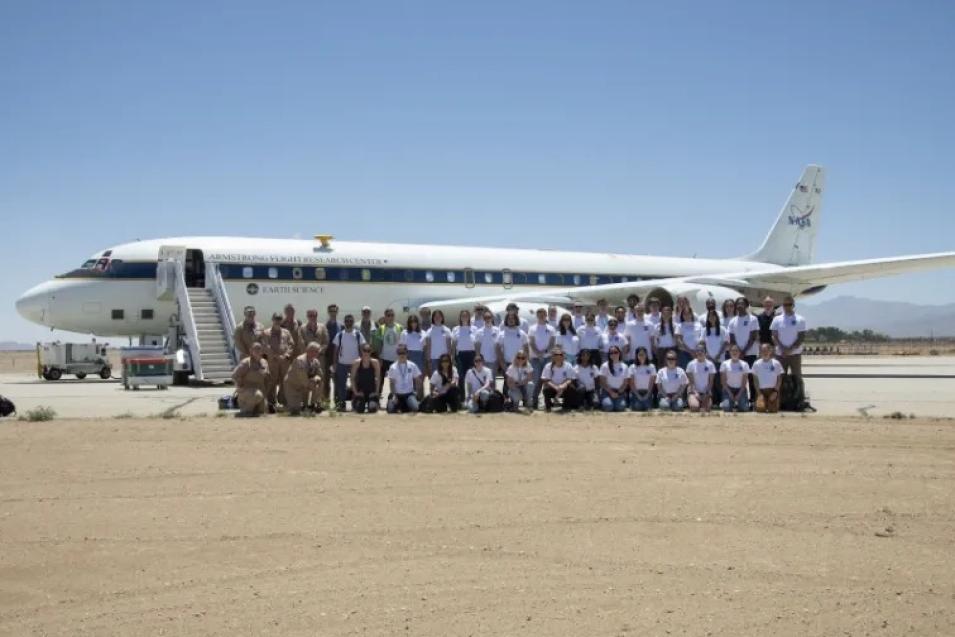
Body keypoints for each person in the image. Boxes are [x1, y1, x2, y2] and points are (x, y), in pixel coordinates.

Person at [771, 296, 807, 399]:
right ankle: (780, 400)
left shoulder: (800, 319)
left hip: (795, 354)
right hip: (780, 354)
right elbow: (774, 335)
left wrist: (790, 349)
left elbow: (801, 337)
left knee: (797, 377)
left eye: (789, 304)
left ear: (793, 305)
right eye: (785, 305)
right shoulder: (777, 319)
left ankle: (800, 399)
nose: (787, 307)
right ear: (782, 306)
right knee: (780, 378)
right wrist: (782, 348)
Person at [260, 312, 295, 412]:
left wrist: (286, 355)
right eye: (276, 318)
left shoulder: (286, 332)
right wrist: (275, 356)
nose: (277, 321)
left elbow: (291, 345)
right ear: (272, 319)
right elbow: (265, 346)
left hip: (284, 361)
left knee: (285, 381)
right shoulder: (266, 333)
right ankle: (271, 403)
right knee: (272, 381)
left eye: (279, 319)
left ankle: (283, 401)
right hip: (272, 361)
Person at [728, 297, 760, 401]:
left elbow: (753, 337)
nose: (739, 306)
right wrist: (738, 352)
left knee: (751, 377)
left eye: (742, 304)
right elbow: (732, 338)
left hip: (750, 353)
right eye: (738, 304)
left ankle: (753, 399)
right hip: (737, 355)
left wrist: (744, 351)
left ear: (747, 306)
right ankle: (740, 398)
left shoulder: (753, 319)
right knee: (738, 377)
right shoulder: (733, 321)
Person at [332, 314, 365, 410]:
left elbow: (362, 348)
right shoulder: (340, 335)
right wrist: (334, 363)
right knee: (341, 385)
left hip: (356, 364)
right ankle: (341, 404)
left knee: (356, 384)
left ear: (353, 322)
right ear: (344, 322)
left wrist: (363, 362)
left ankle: (356, 403)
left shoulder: (358, 334)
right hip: (342, 363)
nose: (349, 323)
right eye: (347, 321)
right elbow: (335, 350)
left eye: (351, 321)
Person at [527, 308, 556, 409]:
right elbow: (531, 342)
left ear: (546, 315)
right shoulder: (532, 328)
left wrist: (545, 352)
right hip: (535, 358)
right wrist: (538, 353)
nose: (541, 316)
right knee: (536, 380)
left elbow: (552, 343)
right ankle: (534, 400)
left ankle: (547, 401)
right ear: (537, 315)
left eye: (543, 314)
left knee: (547, 380)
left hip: (548, 358)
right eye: (539, 314)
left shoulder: (551, 328)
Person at [284, 342, 323, 415]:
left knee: (320, 383)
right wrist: (312, 382)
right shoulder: (300, 360)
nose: (318, 353)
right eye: (316, 351)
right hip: (293, 386)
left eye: (318, 351)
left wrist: (317, 378)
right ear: (309, 351)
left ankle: (313, 404)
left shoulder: (315, 361)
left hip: (303, 386)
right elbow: (303, 379)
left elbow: (320, 374)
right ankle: (285, 407)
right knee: (295, 411)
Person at [232, 342, 269, 417]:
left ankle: (253, 410)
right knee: (257, 395)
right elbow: (234, 375)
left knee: (263, 411)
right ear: (251, 351)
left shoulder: (264, 362)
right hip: (247, 393)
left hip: (260, 392)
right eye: (255, 349)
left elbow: (267, 377)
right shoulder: (246, 362)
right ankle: (245, 412)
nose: (258, 351)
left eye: (259, 349)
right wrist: (239, 387)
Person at [540, 347, 580, 412]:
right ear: (552, 356)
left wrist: (563, 385)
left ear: (563, 356)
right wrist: (556, 387)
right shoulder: (548, 366)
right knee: (546, 389)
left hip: (564, 387)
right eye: (556, 355)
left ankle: (566, 406)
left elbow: (570, 379)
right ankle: (548, 407)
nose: (558, 356)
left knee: (571, 388)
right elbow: (545, 380)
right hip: (552, 387)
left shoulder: (568, 365)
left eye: (560, 354)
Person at [373, 309, 402, 393]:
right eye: (388, 315)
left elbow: (402, 343)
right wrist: (378, 358)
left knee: (396, 381)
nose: (390, 317)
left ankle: (396, 398)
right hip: (383, 359)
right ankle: (377, 398)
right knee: (380, 380)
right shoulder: (381, 329)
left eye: (392, 315)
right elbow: (377, 344)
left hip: (396, 360)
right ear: (385, 317)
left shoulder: (399, 327)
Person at [386, 345, 422, 413]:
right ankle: (396, 403)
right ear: (397, 354)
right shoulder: (393, 367)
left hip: (409, 394)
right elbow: (391, 383)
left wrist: (416, 392)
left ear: (407, 353)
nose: (402, 355)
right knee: (390, 411)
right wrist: (394, 395)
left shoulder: (412, 365)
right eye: (400, 353)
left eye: (403, 353)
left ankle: (406, 405)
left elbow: (418, 380)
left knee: (415, 408)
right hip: (397, 394)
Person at [701, 310, 728, 400]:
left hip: (719, 359)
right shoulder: (704, 330)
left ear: (717, 318)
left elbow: (725, 343)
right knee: (710, 380)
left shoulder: (722, 329)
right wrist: (707, 355)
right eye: (710, 316)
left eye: (714, 316)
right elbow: (702, 344)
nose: (712, 318)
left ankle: (722, 399)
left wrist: (718, 355)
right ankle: (713, 400)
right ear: (707, 318)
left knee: (719, 381)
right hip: (708, 359)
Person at [399, 315, 426, 399]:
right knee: (409, 378)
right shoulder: (404, 333)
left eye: (415, 322)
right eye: (411, 322)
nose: (413, 324)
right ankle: (410, 397)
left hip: (420, 356)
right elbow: (402, 347)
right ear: (409, 323)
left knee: (419, 379)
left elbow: (425, 347)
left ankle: (420, 398)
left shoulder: (423, 333)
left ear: (417, 323)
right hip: (409, 356)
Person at [452, 310, 476, 402]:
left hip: (472, 355)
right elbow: (453, 345)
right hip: (460, 355)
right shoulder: (456, 329)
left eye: (466, 316)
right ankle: (461, 399)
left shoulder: (474, 329)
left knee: (471, 377)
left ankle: (471, 398)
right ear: (460, 317)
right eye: (463, 316)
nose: (464, 317)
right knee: (461, 377)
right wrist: (452, 357)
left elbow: (477, 344)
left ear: (469, 317)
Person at [752, 343, 784, 413]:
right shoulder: (756, 364)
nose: (765, 353)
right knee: (760, 410)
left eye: (767, 350)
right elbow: (755, 380)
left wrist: (775, 392)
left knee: (773, 410)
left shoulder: (776, 363)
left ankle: (770, 403)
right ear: (760, 352)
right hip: (761, 391)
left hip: (772, 391)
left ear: (770, 351)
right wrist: (759, 394)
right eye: (763, 351)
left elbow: (779, 379)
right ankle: (760, 402)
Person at [350, 344, 381, 414]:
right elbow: (352, 379)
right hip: (360, 392)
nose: (366, 353)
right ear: (361, 351)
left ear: (371, 352)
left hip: (371, 392)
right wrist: (356, 393)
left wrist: (376, 392)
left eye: (368, 351)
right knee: (360, 410)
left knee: (372, 409)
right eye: (365, 351)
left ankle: (374, 402)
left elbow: (378, 378)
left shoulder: (375, 362)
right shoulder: (356, 363)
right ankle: (356, 402)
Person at [719, 344, 751, 412]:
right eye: (732, 351)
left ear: (739, 352)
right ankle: (729, 402)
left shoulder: (745, 364)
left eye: (736, 351)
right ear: (729, 352)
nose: (734, 352)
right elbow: (723, 382)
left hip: (740, 389)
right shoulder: (724, 364)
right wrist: (730, 393)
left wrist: (739, 394)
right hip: (728, 389)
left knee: (745, 409)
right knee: (726, 409)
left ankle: (738, 403)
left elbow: (744, 383)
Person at [497, 313, 529, 378]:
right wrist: (502, 363)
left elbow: (526, 349)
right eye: (509, 319)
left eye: (513, 318)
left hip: (520, 363)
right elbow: (497, 349)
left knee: (520, 386)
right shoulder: (501, 334)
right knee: (506, 387)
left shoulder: (522, 333)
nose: (511, 320)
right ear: (506, 320)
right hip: (506, 364)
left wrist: (525, 363)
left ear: (516, 320)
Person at [598, 345, 629, 412]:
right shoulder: (604, 366)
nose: (614, 354)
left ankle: (614, 402)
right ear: (609, 355)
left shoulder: (625, 366)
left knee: (621, 408)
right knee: (608, 407)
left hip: (619, 392)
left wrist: (618, 392)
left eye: (615, 352)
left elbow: (625, 382)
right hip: (607, 392)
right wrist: (611, 392)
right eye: (611, 353)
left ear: (619, 353)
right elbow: (602, 382)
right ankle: (605, 401)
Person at [322, 304, 343, 402]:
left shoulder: (341, 326)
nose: (333, 313)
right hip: (326, 356)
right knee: (326, 380)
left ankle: (337, 401)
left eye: (335, 311)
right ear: (328, 312)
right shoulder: (324, 326)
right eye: (331, 311)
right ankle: (326, 401)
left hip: (338, 357)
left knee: (337, 380)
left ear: (337, 312)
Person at [686, 346, 716, 412]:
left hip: (706, 392)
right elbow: (691, 382)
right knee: (694, 407)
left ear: (705, 352)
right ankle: (693, 401)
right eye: (698, 350)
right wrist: (695, 393)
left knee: (707, 409)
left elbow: (711, 382)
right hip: (694, 391)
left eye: (702, 350)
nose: (700, 352)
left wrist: (706, 393)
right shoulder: (690, 364)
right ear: (696, 352)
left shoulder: (710, 365)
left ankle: (702, 403)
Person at [424, 309, 452, 377]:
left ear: (442, 318)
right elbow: (428, 347)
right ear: (433, 318)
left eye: (439, 316)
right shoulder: (429, 331)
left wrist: (449, 359)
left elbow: (449, 346)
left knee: (445, 379)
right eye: (435, 317)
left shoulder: (447, 330)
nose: (437, 318)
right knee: (435, 380)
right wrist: (428, 361)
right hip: (434, 359)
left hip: (444, 360)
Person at [473, 311, 501, 377]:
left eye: (489, 317)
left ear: (492, 318)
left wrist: (499, 359)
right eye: (485, 318)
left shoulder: (497, 330)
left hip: (494, 360)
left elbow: (500, 345)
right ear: (483, 319)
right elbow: (477, 347)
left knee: (495, 379)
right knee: (484, 380)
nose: (487, 319)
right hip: (483, 361)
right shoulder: (479, 332)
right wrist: (478, 360)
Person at [629, 346, 656, 411]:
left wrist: (648, 394)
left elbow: (652, 382)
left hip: (647, 392)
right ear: (636, 355)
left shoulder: (651, 366)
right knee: (637, 407)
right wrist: (638, 395)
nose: (642, 356)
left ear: (646, 355)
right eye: (640, 354)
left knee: (648, 408)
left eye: (643, 354)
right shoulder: (632, 367)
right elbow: (631, 383)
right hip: (636, 392)